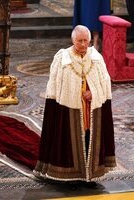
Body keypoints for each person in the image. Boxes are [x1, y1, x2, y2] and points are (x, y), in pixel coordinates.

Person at [34, 25, 116, 186]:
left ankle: (90, 175)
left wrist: (94, 92)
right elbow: (54, 84)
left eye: (86, 40)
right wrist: (54, 108)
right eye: (80, 41)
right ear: (73, 40)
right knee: (69, 142)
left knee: (89, 140)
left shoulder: (96, 58)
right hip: (68, 110)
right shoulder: (62, 58)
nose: (83, 44)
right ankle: (69, 176)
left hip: (92, 109)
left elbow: (105, 83)